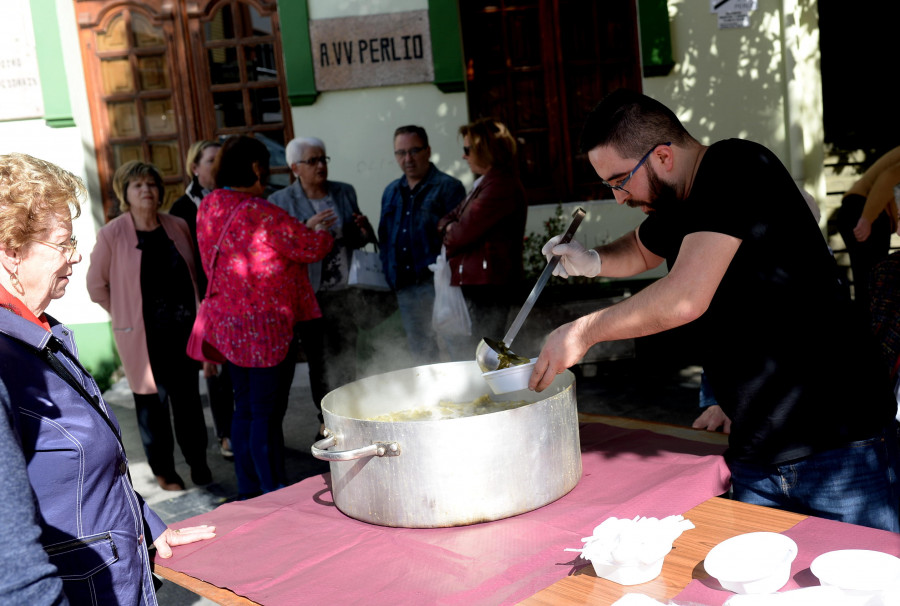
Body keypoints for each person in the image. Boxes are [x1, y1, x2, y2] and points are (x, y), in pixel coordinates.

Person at [531, 89, 899, 531]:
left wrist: (583, 332)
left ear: (663, 156)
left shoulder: (735, 167)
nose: (618, 198)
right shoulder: (681, 201)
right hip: (757, 450)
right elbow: (641, 248)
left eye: (619, 180)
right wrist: (589, 259)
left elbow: (684, 298)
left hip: (838, 446)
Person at [0, 153, 214, 604]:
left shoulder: (40, 332)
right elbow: (13, 571)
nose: (75, 255)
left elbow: (75, 477)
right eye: (63, 243)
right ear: (11, 252)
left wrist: (145, 523)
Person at [196, 135, 333, 499]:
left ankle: (249, 488)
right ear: (256, 168)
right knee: (266, 414)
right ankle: (273, 489)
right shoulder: (262, 212)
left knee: (244, 409)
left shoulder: (209, 205)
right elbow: (309, 247)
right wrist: (319, 229)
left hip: (229, 326)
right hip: (265, 331)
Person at [87, 160, 211, 491]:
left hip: (184, 334)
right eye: (137, 185)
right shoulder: (112, 233)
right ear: (125, 193)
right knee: (152, 408)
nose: (146, 190)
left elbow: (194, 274)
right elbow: (96, 286)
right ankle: (165, 471)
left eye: (151, 184)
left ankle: (198, 462)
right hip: (144, 338)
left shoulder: (177, 225)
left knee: (188, 404)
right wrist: (123, 313)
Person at [269, 137, 374, 418]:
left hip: (346, 289)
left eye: (322, 159)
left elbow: (358, 238)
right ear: (295, 168)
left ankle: (351, 414)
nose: (320, 166)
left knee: (347, 354)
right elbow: (281, 247)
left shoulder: (343, 191)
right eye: (312, 161)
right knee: (319, 360)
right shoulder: (280, 201)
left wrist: (363, 229)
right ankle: (325, 416)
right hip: (310, 296)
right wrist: (307, 227)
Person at [437, 118, 528, 360]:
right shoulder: (487, 183)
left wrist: (450, 229)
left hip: (490, 285)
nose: (463, 156)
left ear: (484, 150)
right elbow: (449, 219)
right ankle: (485, 395)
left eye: (468, 149)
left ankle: (490, 397)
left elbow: (458, 234)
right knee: (480, 352)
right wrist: (450, 227)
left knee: (485, 354)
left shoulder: (499, 185)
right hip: (483, 283)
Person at [169, 140, 234, 460]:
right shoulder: (182, 209)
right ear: (195, 167)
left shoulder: (232, 198)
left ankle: (242, 428)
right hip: (207, 301)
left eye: (219, 160)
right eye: (210, 161)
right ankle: (226, 433)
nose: (215, 166)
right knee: (216, 371)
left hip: (236, 298)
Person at [379, 125, 466, 363]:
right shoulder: (391, 192)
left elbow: (460, 239)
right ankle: (433, 400)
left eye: (414, 150)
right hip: (407, 288)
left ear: (428, 151)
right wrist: (391, 275)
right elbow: (385, 239)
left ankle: (470, 396)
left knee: (458, 349)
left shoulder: (449, 187)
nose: (408, 159)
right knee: (421, 353)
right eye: (401, 152)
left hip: (441, 286)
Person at [836, 145, 900, 315]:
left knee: (869, 287)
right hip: (863, 211)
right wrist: (867, 218)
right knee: (873, 288)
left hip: (860, 211)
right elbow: (890, 177)